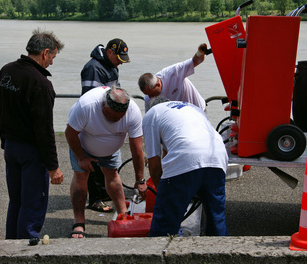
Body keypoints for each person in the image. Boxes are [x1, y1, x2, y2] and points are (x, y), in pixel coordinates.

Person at [0, 29, 64, 246]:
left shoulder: (6, 71)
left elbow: (0, 110)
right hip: (31, 153)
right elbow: (44, 130)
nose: (52, 63)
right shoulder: (40, 83)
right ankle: (25, 248)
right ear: (45, 53)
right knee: (33, 202)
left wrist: (5, 141)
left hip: (11, 148)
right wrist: (53, 167)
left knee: (16, 201)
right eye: (52, 57)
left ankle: (11, 245)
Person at [65, 86, 146, 238]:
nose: (115, 120)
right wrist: (81, 157)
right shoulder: (87, 105)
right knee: (81, 177)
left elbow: (137, 149)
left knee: (112, 174)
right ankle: (79, 222)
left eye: (119, 118)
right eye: (111, 116)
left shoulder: (133, 112)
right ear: (103, 105)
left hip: (111, 148)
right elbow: (70, 133)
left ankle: (123, 214)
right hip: (82, 145)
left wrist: (139, 179)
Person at [142, 96, 228, 237]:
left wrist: (162, 193)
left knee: (165, 222)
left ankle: (159, 254)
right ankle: (221, 254)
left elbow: (154, 164)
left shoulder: (152, 113)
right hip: (217, 157)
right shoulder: (191, 107)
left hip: (187, 156)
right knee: (216, 216)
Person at [80, 38, 131, 213]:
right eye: (119, 59)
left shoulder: (111, 66)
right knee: (93, 162)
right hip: (95, 121)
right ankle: (95, 200)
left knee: (106, 164)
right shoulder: (93, 68)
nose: (121, 64)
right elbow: (90, 97)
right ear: (109, 52)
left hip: (108, 118)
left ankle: (104, 193)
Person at [138, 44, 207, 113]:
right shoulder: (148, 98)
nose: (150, 97)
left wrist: (200, 52)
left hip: (198, 110)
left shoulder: (174, 72)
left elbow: (195, 61)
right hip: (179, 117)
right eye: (147, 94)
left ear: (158, 84)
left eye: (151, 94)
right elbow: (150, 118)